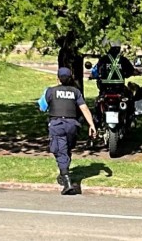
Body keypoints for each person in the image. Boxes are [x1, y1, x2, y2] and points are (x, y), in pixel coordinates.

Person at [37, 67, 96, 195]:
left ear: (57, 78)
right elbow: (84, 109)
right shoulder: (75, 92)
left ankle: (67, 182)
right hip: (72, 125)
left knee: (60, 150)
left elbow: (42, 107)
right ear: (70, 78)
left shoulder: (50, 91)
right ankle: (64, 173)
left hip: (57, 124)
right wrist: (92, 125)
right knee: (66, 149)